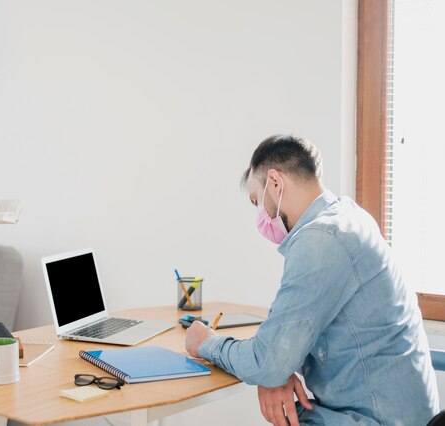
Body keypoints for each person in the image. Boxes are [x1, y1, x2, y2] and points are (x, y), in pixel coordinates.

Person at [185, 135, 440, 425]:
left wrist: (205, 342)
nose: (262, 217)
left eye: (258, 201)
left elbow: (266, 362)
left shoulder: (321, 239)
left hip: (374, 418)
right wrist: (275, 370)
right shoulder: (348, 215)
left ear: (275, 183)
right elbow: (278, 351)